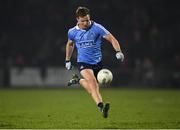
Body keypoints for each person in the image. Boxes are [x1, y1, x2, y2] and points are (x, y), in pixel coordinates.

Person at [65, 6, 124, 118]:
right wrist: (67, 59)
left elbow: (112, 38)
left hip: (97, 63)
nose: (86, 23)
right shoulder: (72, 32)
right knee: (93, 83)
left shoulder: (97, 27)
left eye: (87, 20)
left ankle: (78, 80)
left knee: (93, 87)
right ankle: (101, 107)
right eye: (83, 21)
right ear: (77, 19)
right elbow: (70, 44)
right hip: (83, 62)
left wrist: (118, 51)